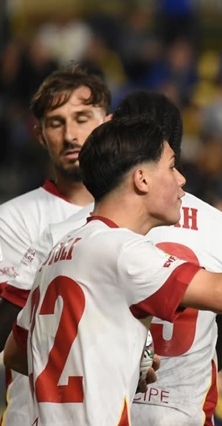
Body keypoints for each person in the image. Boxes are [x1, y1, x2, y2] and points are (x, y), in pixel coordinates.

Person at [2, 115, 222, 425]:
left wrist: (111, 360)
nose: (181, 180)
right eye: (171, 166)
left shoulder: (62, 249)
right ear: (142, 179)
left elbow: (17, 354)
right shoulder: (121, 250)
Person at [0, 62, 112, 425]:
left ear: (107, 124)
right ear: (40, 135)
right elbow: (8, 332)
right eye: (55, 122)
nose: (70, 135)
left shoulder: (144, 212)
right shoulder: (12, 219)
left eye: (82, 118)